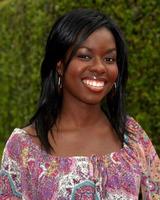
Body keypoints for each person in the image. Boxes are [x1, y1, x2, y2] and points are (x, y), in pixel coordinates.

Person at [0, 8, 159, 200]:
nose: (100, 67)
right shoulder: (23, 148)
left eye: (109, 59)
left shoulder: (132, 136)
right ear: (59, 65)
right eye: (85, 56)